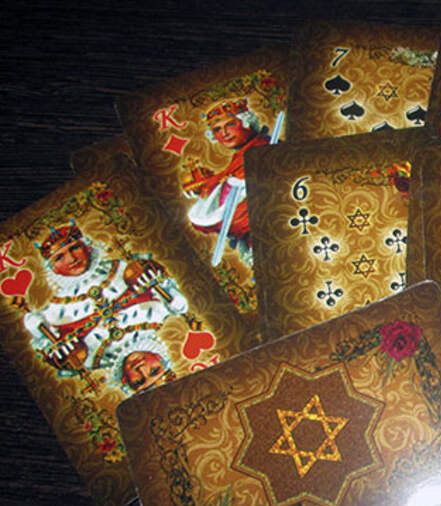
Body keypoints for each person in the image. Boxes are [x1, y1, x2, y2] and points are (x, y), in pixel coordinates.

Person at [23, 222, 188, 383]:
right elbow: (158, 279)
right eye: (59, 257)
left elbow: (52, 350)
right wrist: (172, 294)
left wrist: (38, 331)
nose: (71, 259)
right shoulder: (157, 314)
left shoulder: (89, 360)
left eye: (74, 248)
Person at [185, 98, 270, 265]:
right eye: (217, 129)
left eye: (230, 124)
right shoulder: (241, 156)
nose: (224, 133)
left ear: (246, 122)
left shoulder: (261, 149)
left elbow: (243, 213)